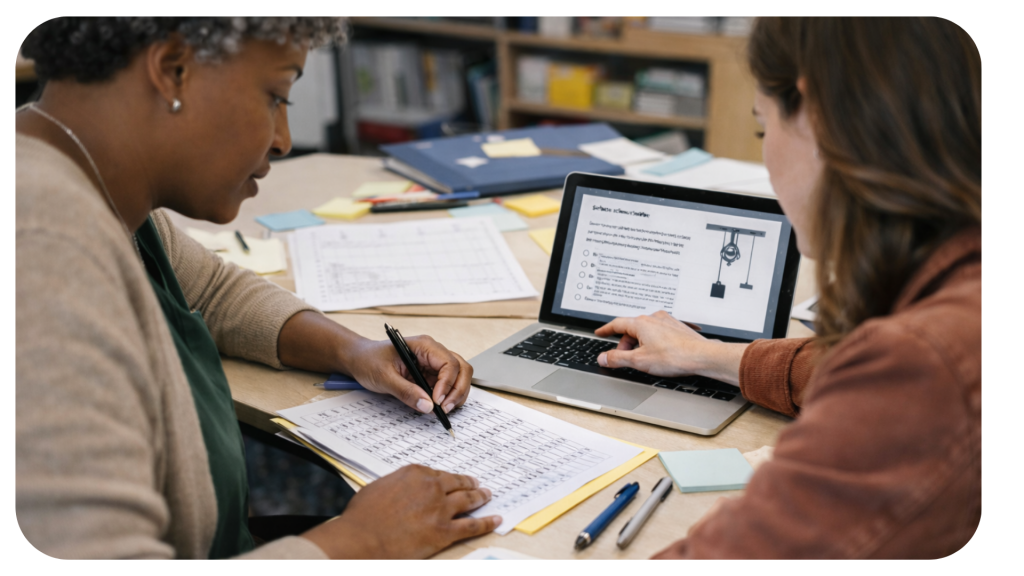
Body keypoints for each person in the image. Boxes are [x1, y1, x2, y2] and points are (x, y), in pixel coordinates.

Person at [15, 17, 500, 560]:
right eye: (276, 95)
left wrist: (356, 352)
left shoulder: (99, 190)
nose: (284, 140)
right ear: (174, 71)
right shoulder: (42, 246)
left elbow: (214, 293)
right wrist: (359, 541)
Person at [594, 17, 981, 559]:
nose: (766, 160)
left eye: (762, 128)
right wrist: (706, 355)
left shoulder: (923, 363)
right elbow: (846, 364)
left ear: (816, 116)